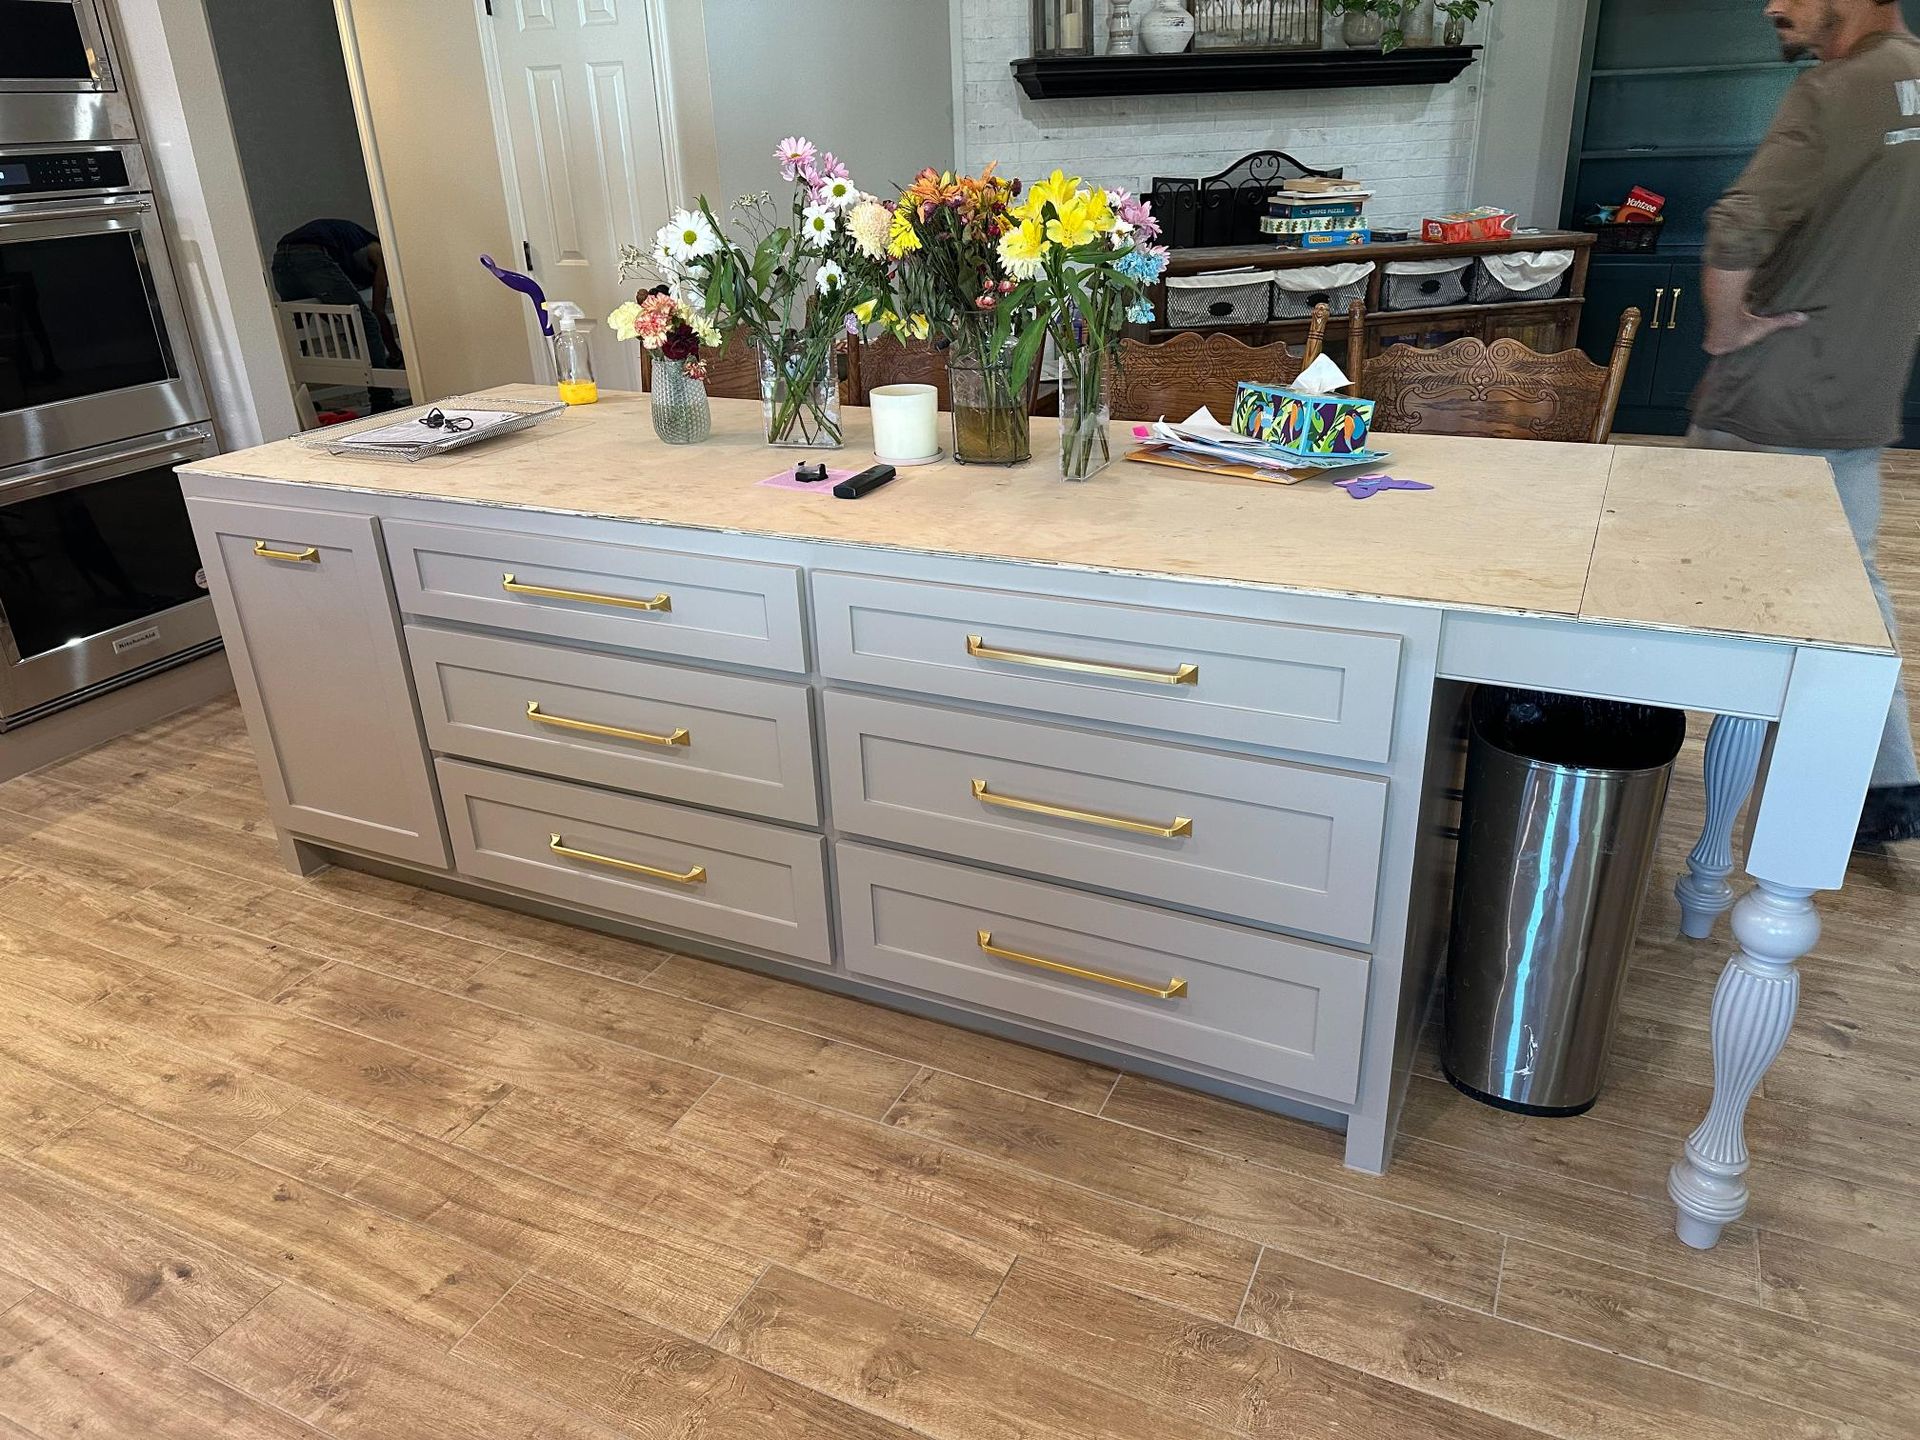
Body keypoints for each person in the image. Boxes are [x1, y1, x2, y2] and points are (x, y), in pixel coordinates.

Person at [1689, 0, 1920, 847]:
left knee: (1710, 596)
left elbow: (1738, 226)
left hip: (1771, 393)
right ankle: (1883, 783)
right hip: (1860, 388)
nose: (1772, 5)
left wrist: (1725, 330)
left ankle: (1755, 813)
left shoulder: (1836, 90)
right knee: (1848, 589)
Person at [270, 218, 405, 412]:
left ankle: (299, 404)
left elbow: (330, 309)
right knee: (367, 324)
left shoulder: (348, 248)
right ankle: (382, 401)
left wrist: (353, 334)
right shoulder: (382, 253)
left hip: (281, 260)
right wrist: (395, 354)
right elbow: (377, 311)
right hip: (311, 254)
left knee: (296, 332)